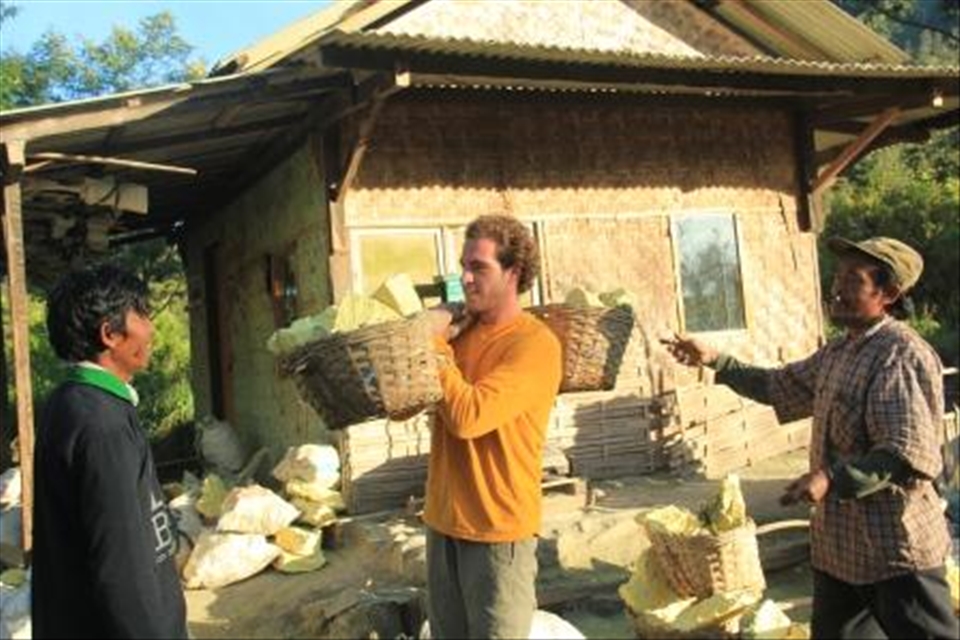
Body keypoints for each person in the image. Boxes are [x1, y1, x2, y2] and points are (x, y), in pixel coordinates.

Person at [662, 236, 958, 639]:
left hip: (896, 551)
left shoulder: (900, 356)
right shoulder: (838, 353)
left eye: (852, 280)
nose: (836, 289)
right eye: (836, 277)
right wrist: (716, 360)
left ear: (888, 293)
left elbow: (902, 453)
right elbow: (777, 386)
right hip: (840, 551)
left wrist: (830, 479)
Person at [32, 264, 188, 639]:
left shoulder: (72, 402)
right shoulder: (103, 426)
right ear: (110, 334)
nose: (151, 330)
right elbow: (122, 568)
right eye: (143, 316)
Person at [424, 215, 563, 639]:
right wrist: (426, 344)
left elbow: (469, 418)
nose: (465, 278)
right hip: (443, 523)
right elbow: (409, 403)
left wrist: (428, 344)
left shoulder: (533, 345)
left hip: (497, 532)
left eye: (479, 267)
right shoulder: (458, 338)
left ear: (513, 273)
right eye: (464, 266)